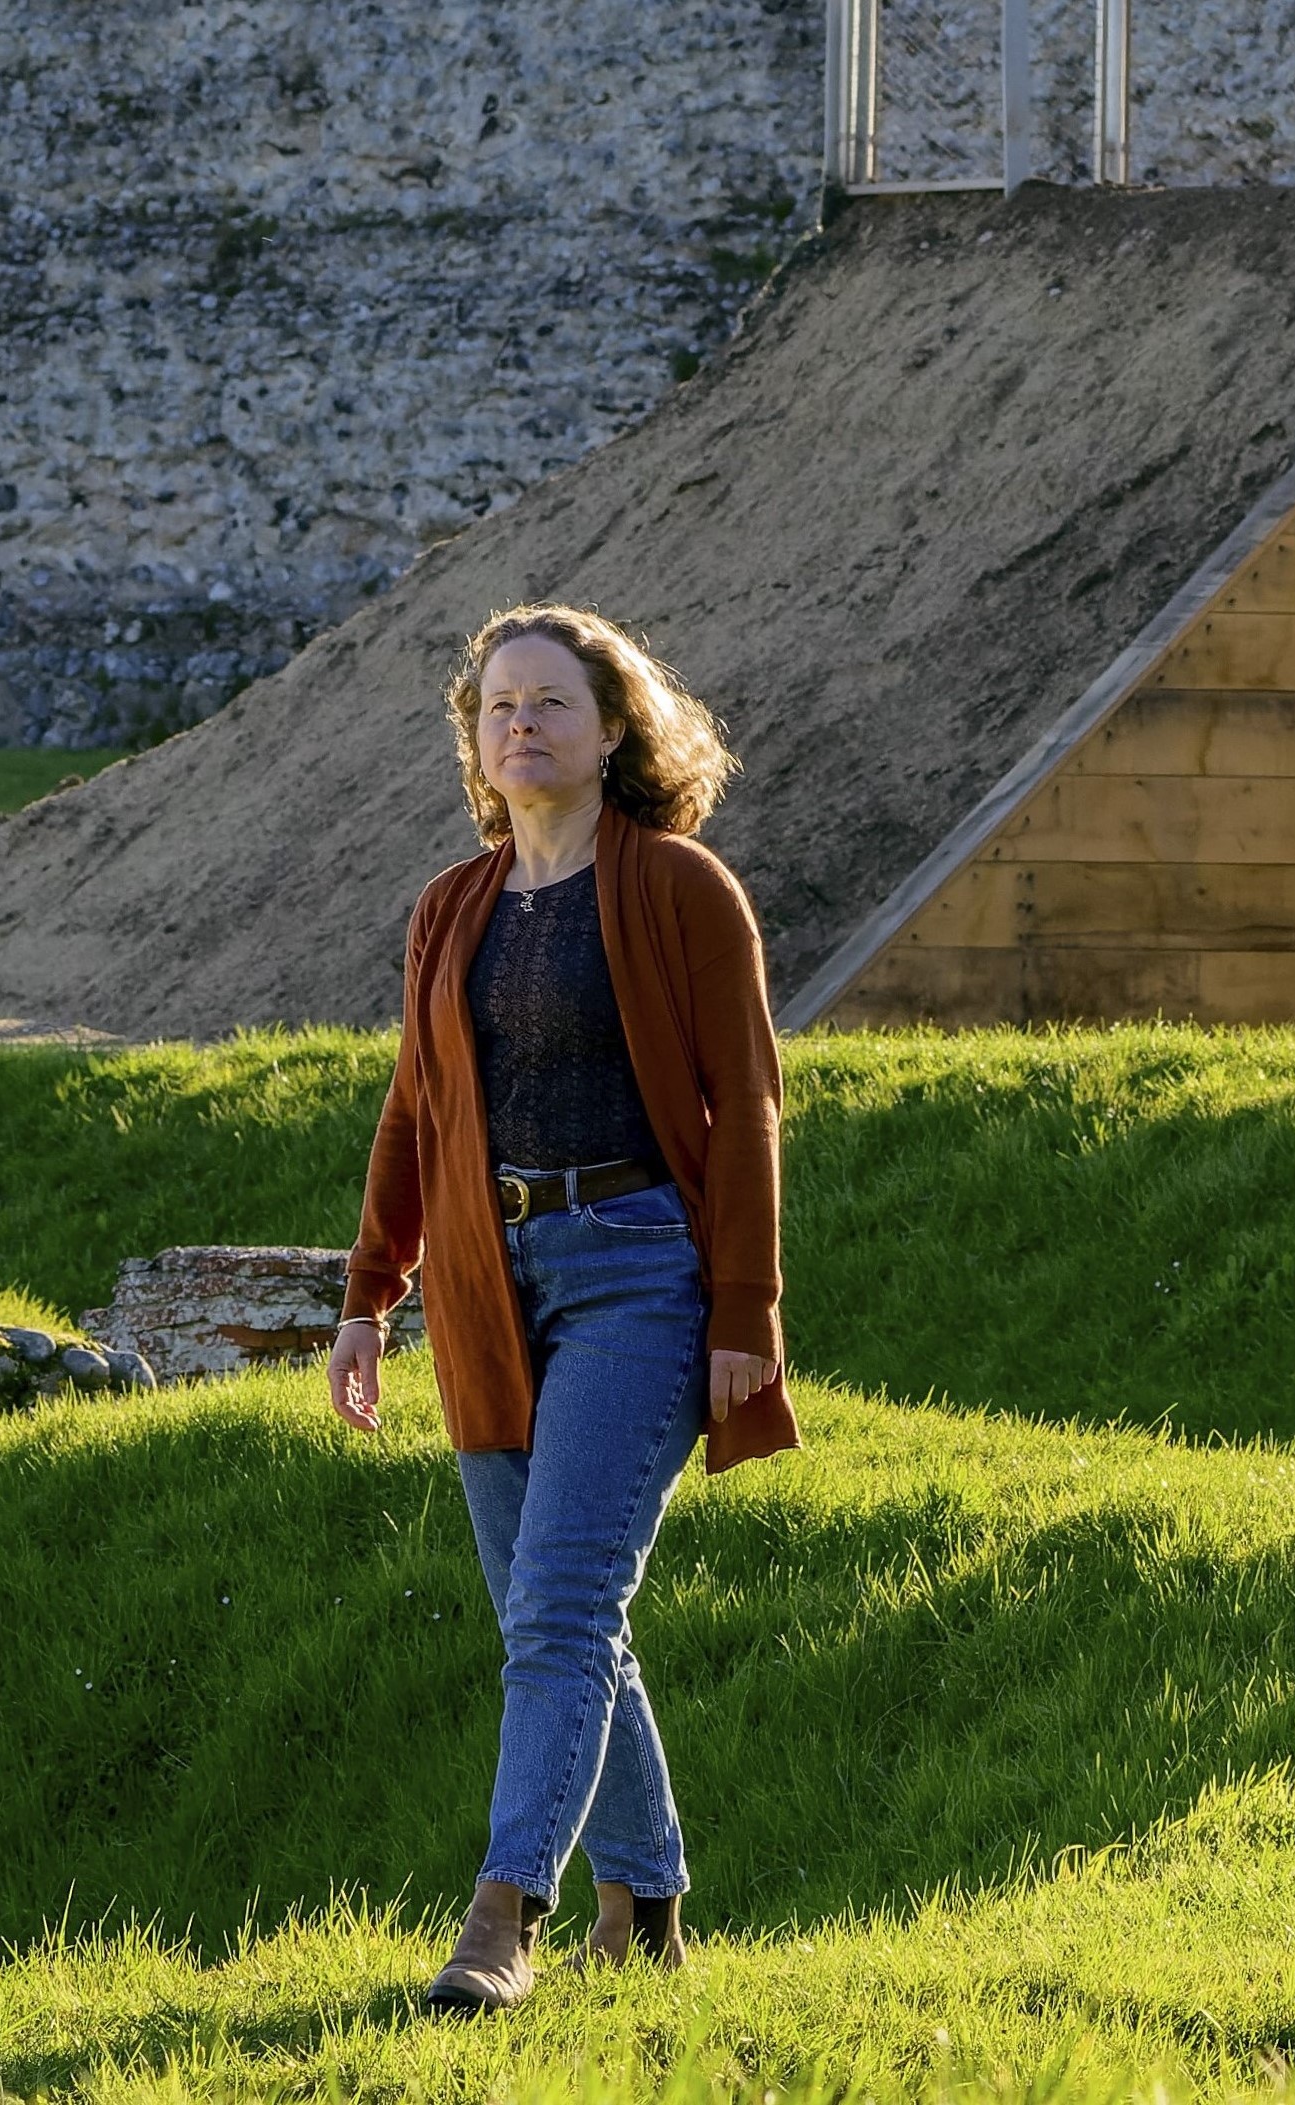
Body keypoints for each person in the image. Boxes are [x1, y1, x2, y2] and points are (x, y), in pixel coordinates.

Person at [326, 603, 799, 2016]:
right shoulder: (450, 908)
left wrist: (745, 1310)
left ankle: (502, 1915)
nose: (521, 724)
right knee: (561, 1616)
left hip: (637, 1272)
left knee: (561, 1606)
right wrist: (368, 1295)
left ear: (611, 734)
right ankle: (643, 1910)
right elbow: (414, 1110)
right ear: (475, 740)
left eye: (551, 703)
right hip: (484, 1281)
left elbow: (748, 1105)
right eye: (499, 706)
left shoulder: (681, 887)